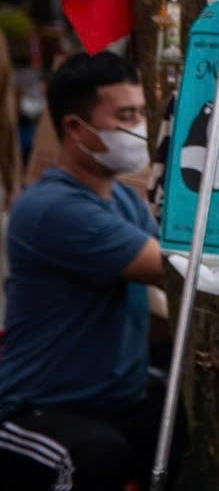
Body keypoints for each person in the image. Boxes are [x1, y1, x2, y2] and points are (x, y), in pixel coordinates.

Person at [0, 52, 184, 490]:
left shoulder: (121, 200)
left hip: (117, 399)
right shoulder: (52, 208)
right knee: (96, 457)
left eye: (141, 112)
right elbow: (167, 267)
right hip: (40, 410)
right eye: (125, 115)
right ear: (75, 129)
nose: (138, 125)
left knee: (186, 419)